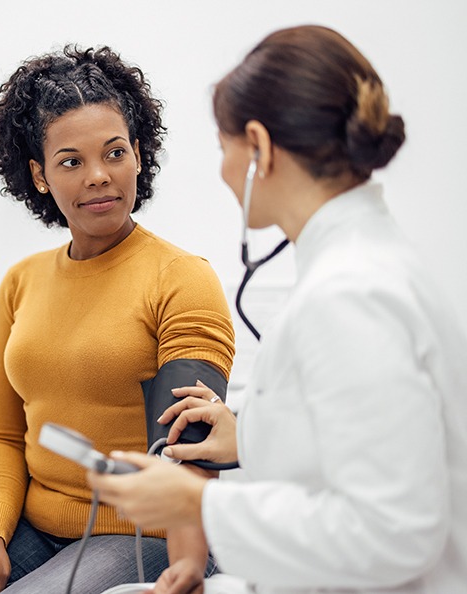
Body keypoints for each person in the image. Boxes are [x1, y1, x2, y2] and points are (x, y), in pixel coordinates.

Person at [87, 25, 467, 594]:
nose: (222, 171)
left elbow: (396, 532)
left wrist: (199, 503)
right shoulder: (365, 264)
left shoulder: (350, 294)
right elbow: (362, 441)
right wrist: (250, 437)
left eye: (224, 149)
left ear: (258, 148)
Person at [0, 45, 235, 594]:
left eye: (115, 153)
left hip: (148, 534)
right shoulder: (22, 282)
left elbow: (188, 454)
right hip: (34, 528)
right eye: (71, 161)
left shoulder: (182, 278)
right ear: (40, 175)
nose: (98, 176)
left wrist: (186, 563)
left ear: (138, 155)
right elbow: (2, 434)